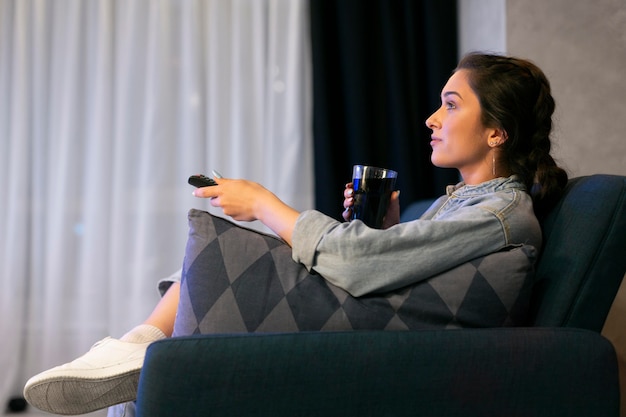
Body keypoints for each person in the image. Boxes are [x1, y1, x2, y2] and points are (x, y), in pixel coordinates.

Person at [23, 52, 568, 416]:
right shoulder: (471, 206)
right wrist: (387, 229)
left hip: (381, 350)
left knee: (218, 250)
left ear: (497, 130)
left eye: (450, 105)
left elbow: (361, 266)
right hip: (375, 322)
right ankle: (139, 347)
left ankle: (139, 346)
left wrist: (263, 204)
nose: (431, 118)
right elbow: (417, 277)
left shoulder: (499, 212)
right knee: (200, 273)